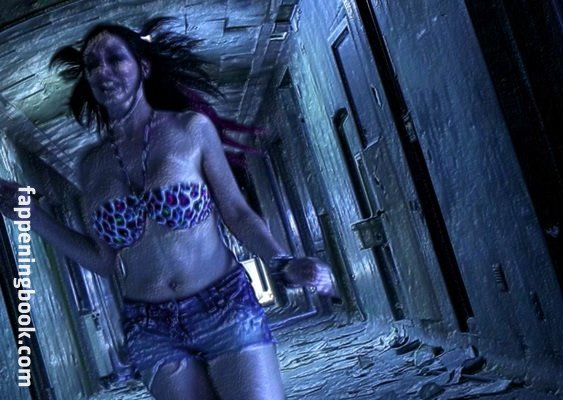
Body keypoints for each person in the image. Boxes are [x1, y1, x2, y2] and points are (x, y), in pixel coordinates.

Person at [0, 17, 334, 400]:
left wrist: (281, 263)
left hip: (223, 304)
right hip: (150, 325)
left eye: (115, 58)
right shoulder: (91, 165)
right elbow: (104, 261)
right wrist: (32, 216)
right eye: (92, 65)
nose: (102, 70)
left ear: (143, 67)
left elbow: (237, 213)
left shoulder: (190, 129)